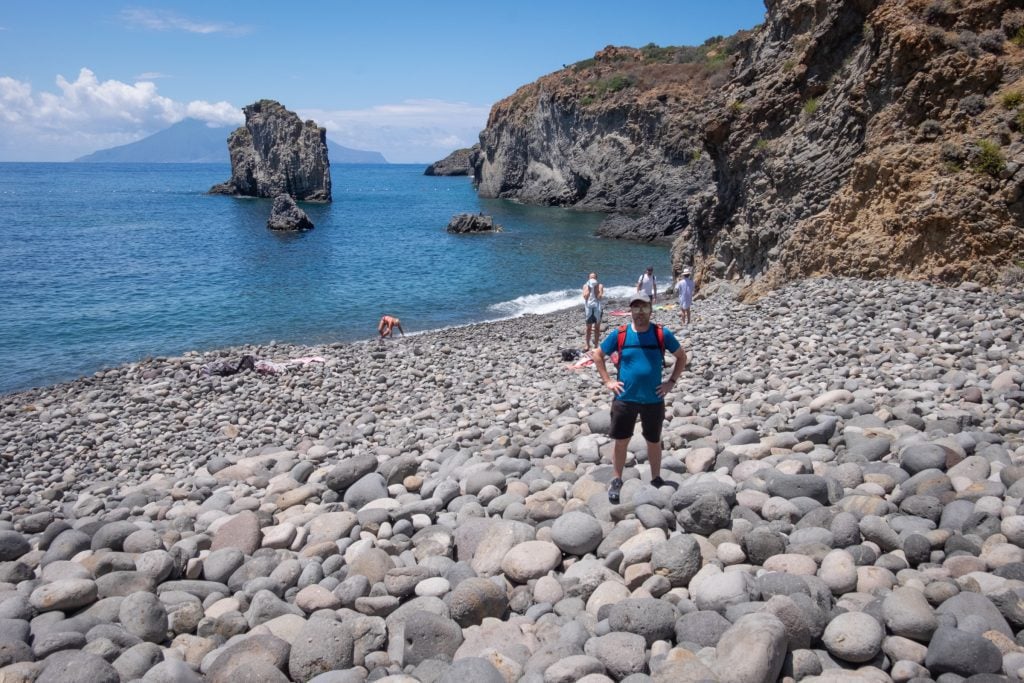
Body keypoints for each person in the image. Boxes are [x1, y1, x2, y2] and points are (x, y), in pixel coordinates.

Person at [592, 292, 686, 503]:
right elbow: (598, 355)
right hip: (625, 399)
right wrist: (608, 381)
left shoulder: (662, 334)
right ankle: (617, 479)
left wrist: (670, 383)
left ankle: (656, 478)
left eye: (644, 307)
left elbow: (682, 357)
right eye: (636, 308)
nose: (640, 312)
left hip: (653, 399)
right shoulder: (621, 334)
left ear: (651, 309)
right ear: (631, 310)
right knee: (621, 441)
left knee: (653, 440)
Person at [582, 272, 605, 351]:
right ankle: (587, 345)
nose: (592, 279)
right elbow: (585, 297)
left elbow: (599, 297)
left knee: (597, 327)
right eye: (591, 278)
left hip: (597, 308)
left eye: (594, 277)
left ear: (596, 279)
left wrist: (595, 289)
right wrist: (589, 288)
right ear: (588, 279)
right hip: (588, 308)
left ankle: (596, 345)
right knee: (588, 328)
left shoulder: (600, 286)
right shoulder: (585, 286)